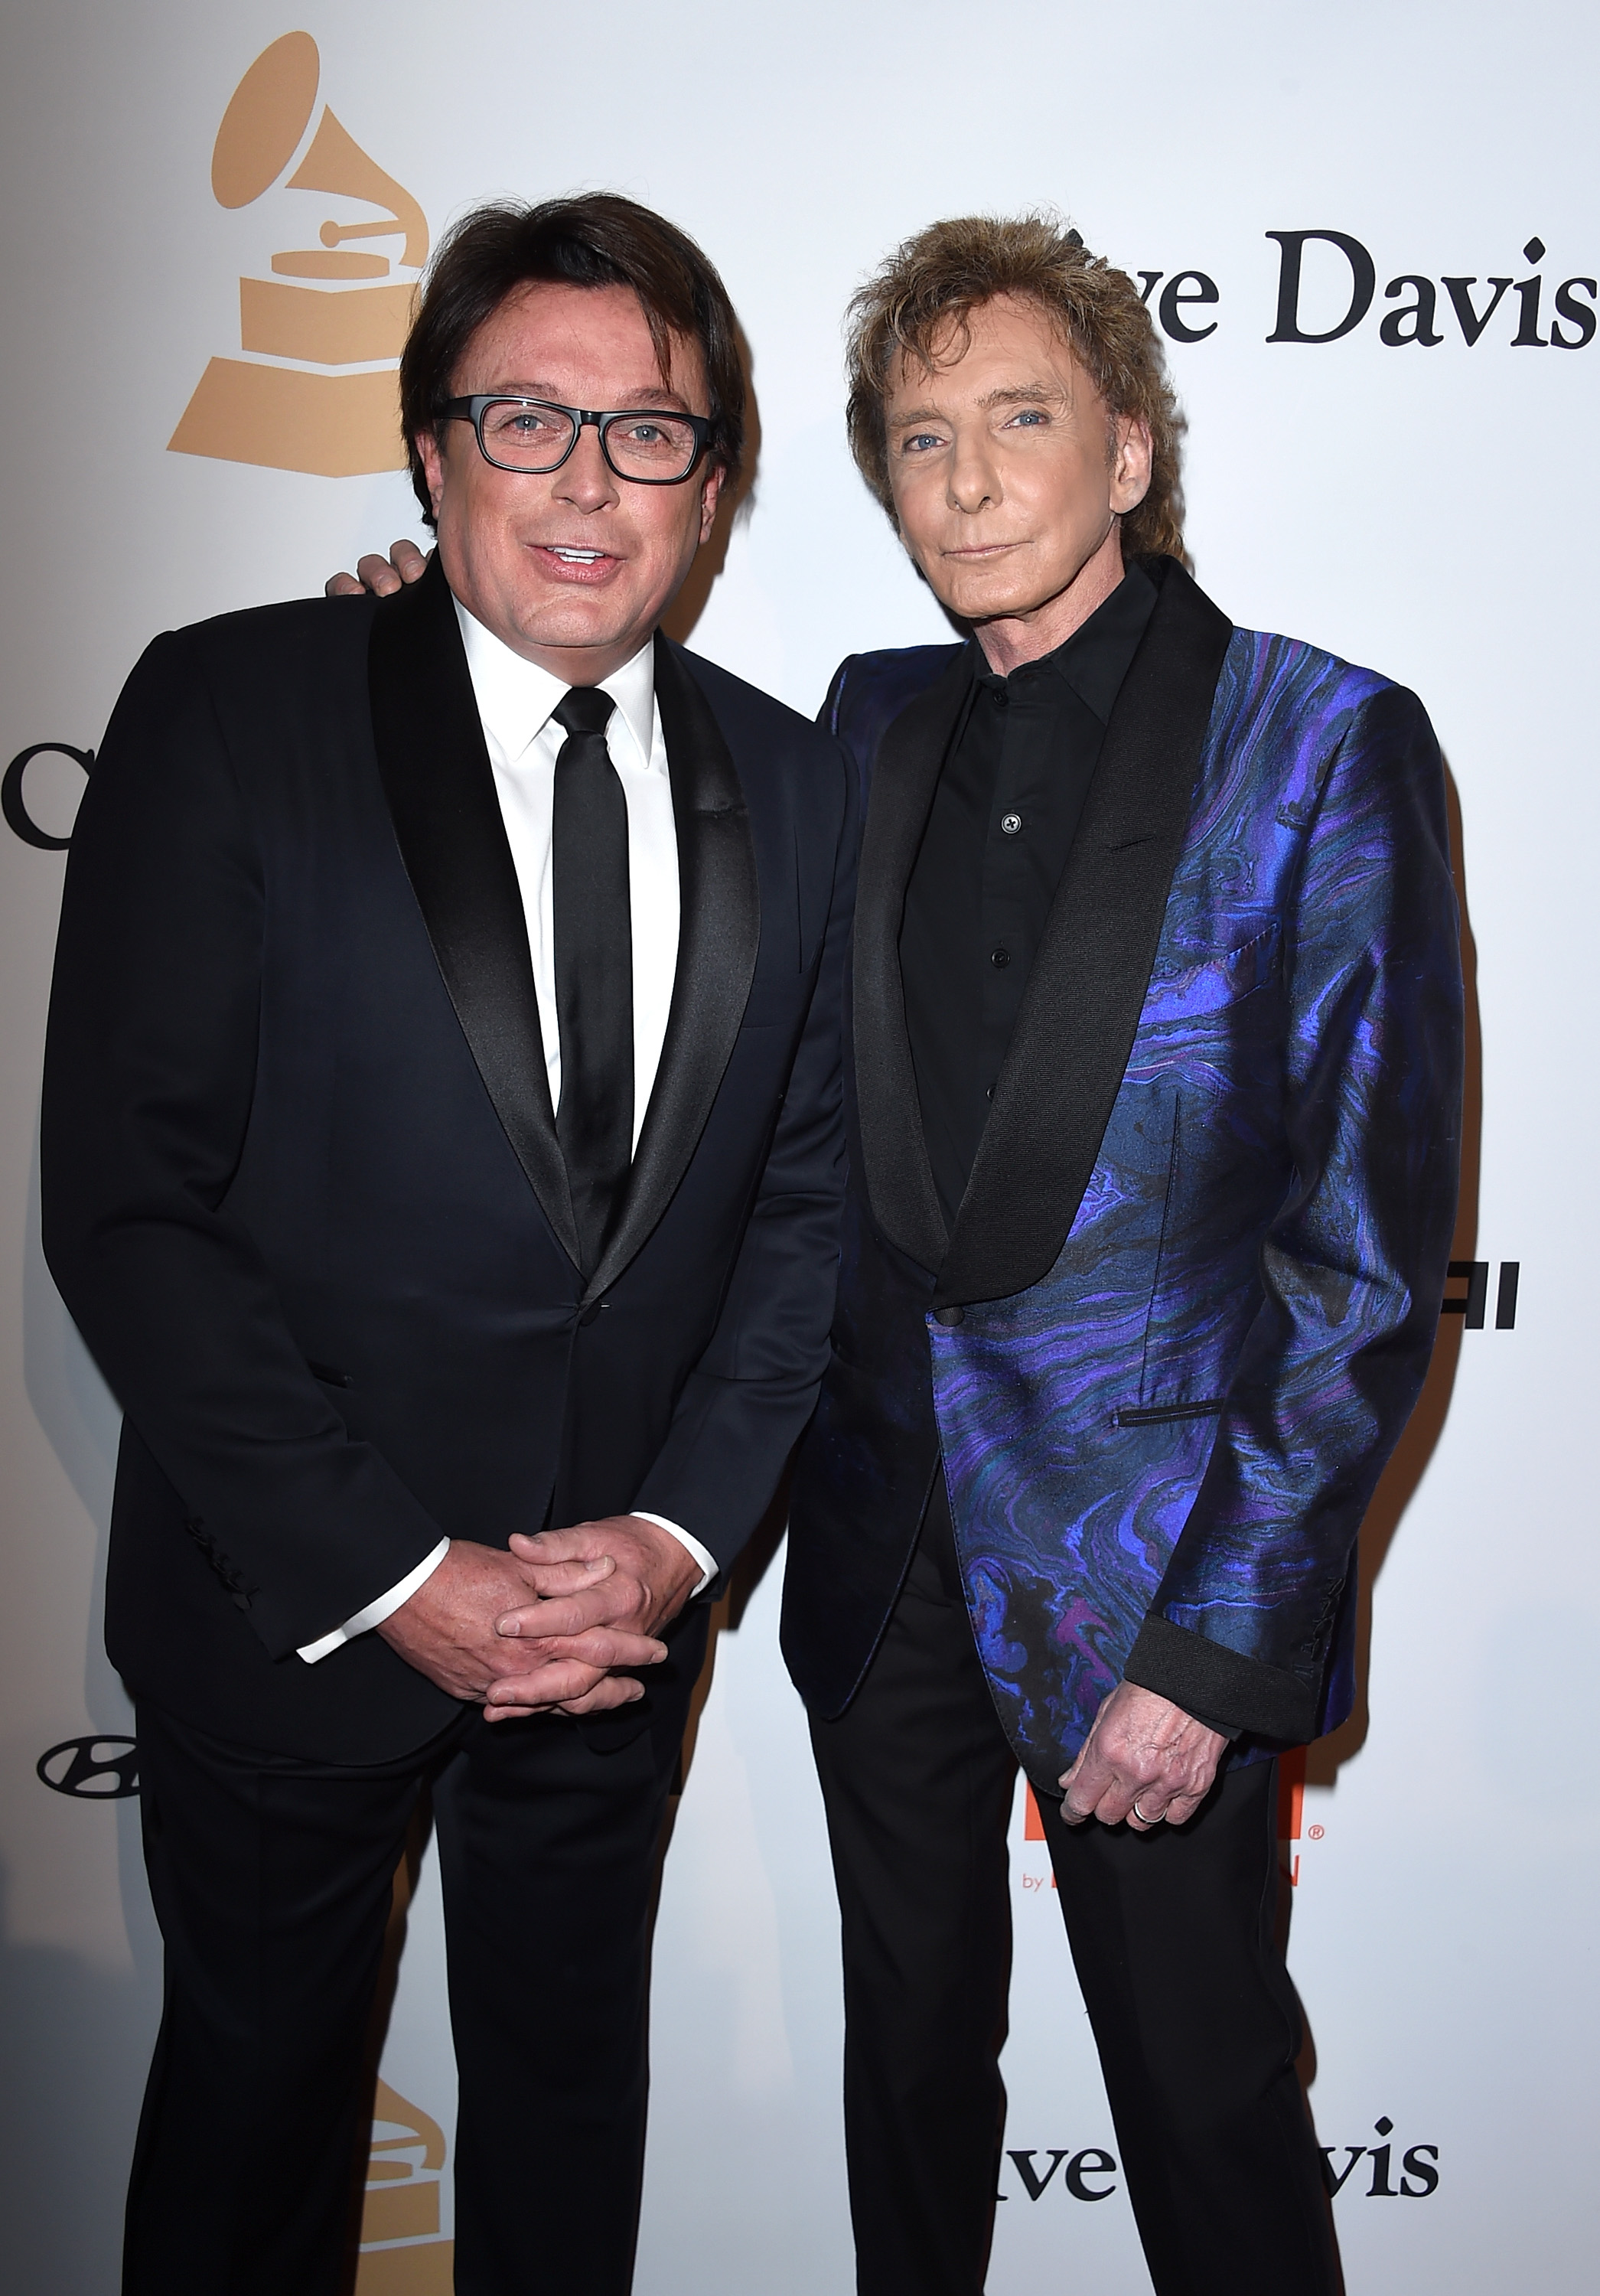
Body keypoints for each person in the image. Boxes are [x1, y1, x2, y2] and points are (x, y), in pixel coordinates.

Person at [42, 193, 854, 2296]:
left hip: (610, 1629)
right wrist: (399, 1575)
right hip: (295, 1613)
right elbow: (128, 1202)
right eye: (526, 420)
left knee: (568, 2137)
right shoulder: (233, 709)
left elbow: (801, 1215)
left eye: (648, 431)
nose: (588, 482)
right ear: (429, 452)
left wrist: (671, 1539)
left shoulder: (801, 787)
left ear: (711, 484)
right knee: (249, 2141)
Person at [779, 214, 1463, 2296]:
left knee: (1202, 2110)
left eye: (1021, 421)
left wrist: (1210, 1650)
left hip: (1150, 1576)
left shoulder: (1317, 741)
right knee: (904, 2085)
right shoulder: (863, 723)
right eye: (920, 439)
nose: (969, 483)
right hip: (878, 1543)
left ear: (1131, 452)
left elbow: (1364, 1257)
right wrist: (399, 643)